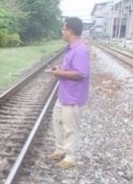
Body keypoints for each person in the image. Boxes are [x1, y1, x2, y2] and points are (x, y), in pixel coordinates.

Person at [48, 17, 90, 169]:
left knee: (70, 127)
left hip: (73, 96)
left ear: (70, 30)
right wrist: (60, 69)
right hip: (64, 94)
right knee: (57, 121)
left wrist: (60, 73)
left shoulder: (80, 50)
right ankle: (60, 149)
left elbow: (80, 73)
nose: (62, 31)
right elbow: (71, 69)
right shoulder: (71, 48)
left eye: (64, 29)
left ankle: (70, 157)